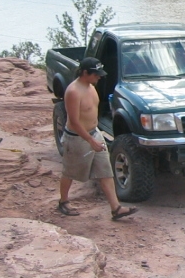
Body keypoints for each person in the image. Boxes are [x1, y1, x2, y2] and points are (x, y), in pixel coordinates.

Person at [58, 56, 137, 221]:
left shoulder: (91, 87)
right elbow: (74, 121)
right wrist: (90, 140)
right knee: (70, 171)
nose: (99, 77)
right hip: (77, 138)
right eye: (96, 74)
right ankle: (63, 201)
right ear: (85, 73)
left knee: (105, 171)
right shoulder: (73, 91)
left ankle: (116, 208)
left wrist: (95, 135)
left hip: (94, 133)